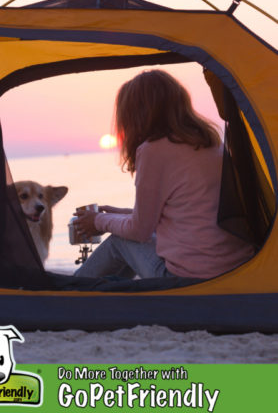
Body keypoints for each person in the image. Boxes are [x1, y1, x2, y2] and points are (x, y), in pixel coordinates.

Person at [74, 69, 255, 284]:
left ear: (137, 114)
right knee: (124, 238)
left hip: (190, 277)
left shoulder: (154, 150)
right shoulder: (208, 140)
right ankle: (102, 306)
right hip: (237, 268)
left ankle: (66, 301)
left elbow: (139, 231)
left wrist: (99, 221)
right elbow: (187, 212)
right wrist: (122, 214)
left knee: (119, 242)